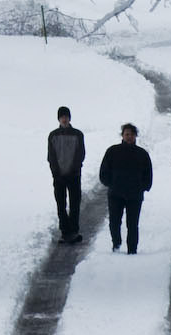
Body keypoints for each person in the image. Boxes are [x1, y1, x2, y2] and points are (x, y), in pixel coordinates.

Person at [96, 123, 153, 254]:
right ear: (122, 135)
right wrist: (111, 183)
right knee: (114, 222)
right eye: (127, 134)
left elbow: (148, 174)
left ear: (135, 136)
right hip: (115, 193)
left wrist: (143, 187)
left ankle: (132, 249)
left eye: (132, 134)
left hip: (135, 194)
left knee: (132, 224)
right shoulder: (112, 151)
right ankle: (116, 243)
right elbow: (104, 172)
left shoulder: (142, 154)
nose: (129, 137)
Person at [45, 107, 88, 244]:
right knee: (61, 204)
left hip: (74, 175)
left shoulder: (78, 134)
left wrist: (74, 170)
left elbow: (80, 154)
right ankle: (65, 231)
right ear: (58, 119)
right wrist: (56, 172)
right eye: (62, 116)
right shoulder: (53, 135)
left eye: (66, 116)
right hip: (58, 177)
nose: (64, 119)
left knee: (75, 203)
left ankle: (74, 231)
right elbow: (51, 156)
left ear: (70, 118)